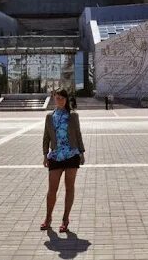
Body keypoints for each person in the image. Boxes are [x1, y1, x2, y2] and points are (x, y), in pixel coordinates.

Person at [41, 89, 85, 233]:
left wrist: (82, 153)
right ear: (54, 99)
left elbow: (78, 134)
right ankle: (48, 217)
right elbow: (46, 137)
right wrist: (44, 154)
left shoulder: (73, 116)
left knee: (69, 187)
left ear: (66, 99)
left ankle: (65, 219)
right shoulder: (49, 117)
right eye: (57, 98)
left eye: (62, 98)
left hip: (72, 155)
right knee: (52, 189)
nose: (59, 100)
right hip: (55, 156)